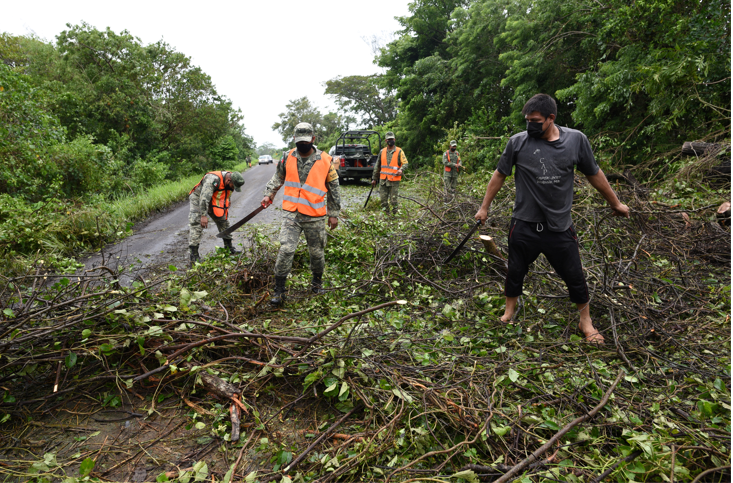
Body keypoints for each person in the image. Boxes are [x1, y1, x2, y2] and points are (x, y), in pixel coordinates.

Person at [474, 94, 630, 344]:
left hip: (559, 226)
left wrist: (616, 203)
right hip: (524, 224)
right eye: (527, 120)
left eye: (535, 120)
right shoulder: (517, 143)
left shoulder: (576, 140)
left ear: (551, 118)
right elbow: (500, 174)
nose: (530, 125)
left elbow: (594, 173)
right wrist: (484, 208)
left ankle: (585, 322)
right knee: (515, 271)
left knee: (574, 275)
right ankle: (509, 312)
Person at [260, 123, 341, 305]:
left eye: (306, 141)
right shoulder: (287, 157)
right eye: (299, 141)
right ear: (294, 139)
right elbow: (278, 177)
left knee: (317, 253)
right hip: (292, 214)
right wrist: (269, 194)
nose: (302, 145)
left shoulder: (326, 160)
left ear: (313, 139)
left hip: (315, 215)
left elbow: (334, 188)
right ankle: (279, 291)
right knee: (286, 250)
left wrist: (333, 213)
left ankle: (317, 283)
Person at [188, 170, 245, 263]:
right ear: (229, 180)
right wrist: (203, 215)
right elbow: (204, 198)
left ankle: (229, 248)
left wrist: (228, 199)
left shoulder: (230, 179)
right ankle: (194, 255)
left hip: (213, 198)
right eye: (233, 186)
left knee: (223, 221)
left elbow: (227, 190)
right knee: (197, 224)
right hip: (199, 199)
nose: (233, 188)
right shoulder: (212, 180)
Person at [371, 131, 408, 214]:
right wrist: (374, 179)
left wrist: (401, 169)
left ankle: (395, 216)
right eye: (388, 139)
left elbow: (405, 163)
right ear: (386, 141)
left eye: (391, 139)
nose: (390, 140)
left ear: (394, 139)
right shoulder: (382, 151)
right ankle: (386, 215)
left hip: (394, 181)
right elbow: (377, 166)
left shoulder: (399, 151)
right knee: (383, 200)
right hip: (383, 180)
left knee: (393, 200)